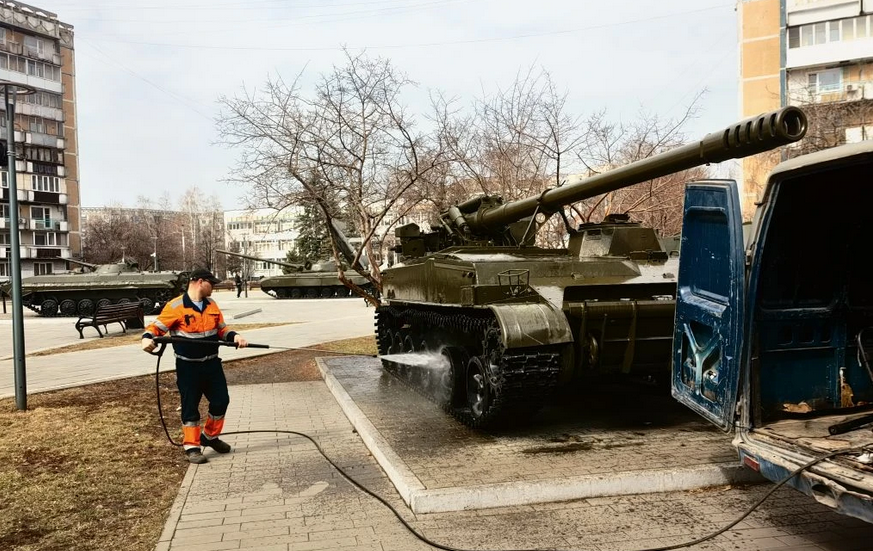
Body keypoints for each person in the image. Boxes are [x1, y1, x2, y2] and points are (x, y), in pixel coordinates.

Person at [141, 267, 249, 464]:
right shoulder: (176, 306)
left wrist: (236, 336)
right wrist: (146, 339)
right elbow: (155, 328)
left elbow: (221, 329)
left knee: (221, 401)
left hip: (212, 365)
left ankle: (209, 436)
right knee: (190, 406)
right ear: (199, 281)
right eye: (212, 283)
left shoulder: (212, 305)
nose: (214, 288)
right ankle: (192, 446)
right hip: (188, 368)